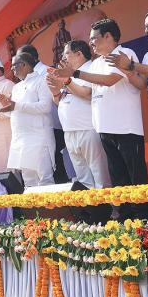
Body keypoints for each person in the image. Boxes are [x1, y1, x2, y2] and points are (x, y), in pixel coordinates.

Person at [51, 18, 148, 220]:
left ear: (108, 36)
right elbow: (87, 92)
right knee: (118, 179)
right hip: (105, 130)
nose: (91, 43)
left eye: (94, 38)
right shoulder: (96, 63)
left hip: (126, 129)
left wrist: (76, 72)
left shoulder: (123, 54)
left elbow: (108, 81)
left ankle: (144, 220)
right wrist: (67, 80)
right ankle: (126, 219)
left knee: (135, 179)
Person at [46, 40, 110, 189]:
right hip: (70, 131)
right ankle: (93, 211)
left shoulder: (90, 69)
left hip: (87, 128)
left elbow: (87, 94)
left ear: (79, 54)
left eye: (66, 53)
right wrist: (55, 91)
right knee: (83, 177)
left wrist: (67, 82)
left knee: (99, 172)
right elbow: (60, 102)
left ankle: (111, 209)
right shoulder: (70, 74)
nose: (63, 58)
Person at [0, 52, 56, 186]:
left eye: (14, 66)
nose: (11, 69)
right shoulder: (16, 87)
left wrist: (16, 106)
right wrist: (7, 107)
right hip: (20, 140)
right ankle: (33, 207)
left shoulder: (41, 80)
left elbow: (45, 107)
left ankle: (49, 207)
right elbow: (16, 113)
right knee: (29, 180)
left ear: (23, 64)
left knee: (44, 179)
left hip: (39, 137)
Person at [19, 44, 67, 183]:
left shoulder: (47, 72)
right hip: (35, 131)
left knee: (55, 168)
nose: (16, 67)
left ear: (30, 59)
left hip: (54, 126)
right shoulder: (25, 80)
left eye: (20, 62)